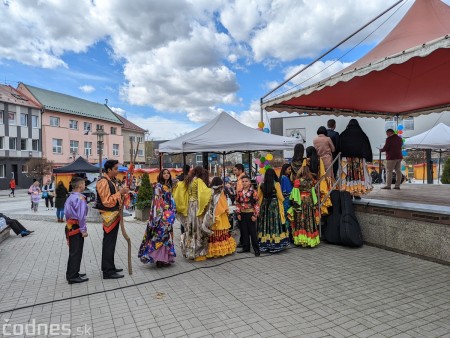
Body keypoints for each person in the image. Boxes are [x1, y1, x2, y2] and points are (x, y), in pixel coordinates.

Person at [96, 160, 129, 279]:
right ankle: (108, 271)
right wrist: (120, 193)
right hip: (109, 215)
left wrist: (122, 194)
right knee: (109, 243)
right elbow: (107, 201)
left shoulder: (110, 181)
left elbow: (114, 199)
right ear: (109, 170)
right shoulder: (103, 182)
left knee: (111, 242)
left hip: (113, 215)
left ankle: (110, 266)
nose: (117, 170)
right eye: (115, 168)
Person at [138, 169, 176, 267]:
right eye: (164, 173)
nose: (166, 175)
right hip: (161, 216)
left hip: (169, 216)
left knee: (166, 237)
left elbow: (171, 200)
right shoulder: (158, 186)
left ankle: (164, 259)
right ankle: (159, 260)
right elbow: (156, 201)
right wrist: (161, 214)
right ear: (161, 175)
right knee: (159, 236)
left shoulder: (169, 186)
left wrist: (172, 211)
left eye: (168, 173)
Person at [173, 166, 212, 261]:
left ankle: (189, 251)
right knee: (198, 228)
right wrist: (214, 191)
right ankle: (197, 252)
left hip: (189, 206)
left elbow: (180, 188)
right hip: (196, 206)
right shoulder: (198, 180)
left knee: (190, 227)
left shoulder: (189, 180)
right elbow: (205, 193)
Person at [288, 162, 320, 247]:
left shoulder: (298, 181)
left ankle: (302, 240)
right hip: (309, 202)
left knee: (300, 220)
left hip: (301, 203)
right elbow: (313, 193)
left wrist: (295, 203)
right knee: (309, 220)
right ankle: (311, 240)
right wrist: (315, 203)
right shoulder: (311, 181)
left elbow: (294, 194)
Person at [257, 168, 290, 253]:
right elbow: (280, 197)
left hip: (265, 205)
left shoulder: (261, 184)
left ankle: (265, 243)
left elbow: (258, 197)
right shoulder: (276, 184)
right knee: (275, 223)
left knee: (266, 223)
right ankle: (275, 244)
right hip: (274, 205)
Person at [203, 177, 236, 258]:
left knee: (213, 234)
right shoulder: (221, 193)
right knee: (221, 233)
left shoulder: (209, 191)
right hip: (221, 216)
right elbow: (224, 205)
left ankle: (212, 251)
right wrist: (227, 211)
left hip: (211, 215)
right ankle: (221, 250)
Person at [339, 119, 373, 198]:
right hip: (359, 159)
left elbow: (339, 146)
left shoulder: (344, 134)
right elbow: (366, 146)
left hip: (347, 159)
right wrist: (368, 158)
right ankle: (357, 193)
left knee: (349, 175)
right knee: (358, 175)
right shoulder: (362, 134)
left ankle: (349, 191)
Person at [64, 177, 89, 284]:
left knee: (73, 251)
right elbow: (81, 216)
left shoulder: (70, 197)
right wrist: (83, 230)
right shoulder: (80, 198)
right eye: (84, 184)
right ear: (80, 185)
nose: (85, 186)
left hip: (70, 226)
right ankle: (73, 276)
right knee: (76, 252)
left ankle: (72, 272)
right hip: (77, 227)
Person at [235, 175, 260, 256]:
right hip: (242, 214)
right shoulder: (239, 192)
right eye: (243, 181)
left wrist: (255, 215)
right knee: (244, 231)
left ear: (249, 182)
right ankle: (246, 247)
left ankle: (256, 249)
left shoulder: (253, 192)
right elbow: (238, 203)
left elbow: (256, 204)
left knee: (253, 232)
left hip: (251, 214)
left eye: (246, 181)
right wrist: (238, 213)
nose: (244, 183)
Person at [306, 146, 332, 216]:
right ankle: (319, 217)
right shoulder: (319, 159)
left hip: (309, 183)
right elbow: (322, 173)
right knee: (318, 200)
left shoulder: (306, 161)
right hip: (318, 182)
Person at [233, 163, 246, 247]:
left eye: (235, 170)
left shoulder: (241, 180)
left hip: (242, 205)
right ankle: (243, 241)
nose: (234, 172)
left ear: (240, 170)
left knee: (242, 224)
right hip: (243, 204)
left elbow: (241, 193)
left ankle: (243, 242)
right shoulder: (241, 178)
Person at [175, 164, 190, 234]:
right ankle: (187, 233)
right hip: (188, 202)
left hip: (180, 202)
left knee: (182, 220)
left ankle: (182, 233)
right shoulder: (190, 179)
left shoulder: (178, 179)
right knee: (188, 220)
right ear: (189, 170)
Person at [280, 164, 293, 241]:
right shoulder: (284, 178)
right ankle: (287, 235)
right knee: (287, 217)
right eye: (289, 169)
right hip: (286, 200)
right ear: (285, 169)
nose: (290, 171)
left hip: (286, 200)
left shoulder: (284, 177)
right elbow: (285, 191)